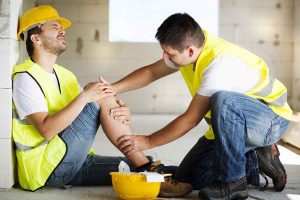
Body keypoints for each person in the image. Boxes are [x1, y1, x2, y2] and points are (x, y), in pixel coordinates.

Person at [12, 5, 192, 197]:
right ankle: (146, 168)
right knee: (98, 90)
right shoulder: (26, 77)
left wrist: (118, 111)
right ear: (35, 38)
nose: (62, 30)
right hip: (46, 169)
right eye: (54, 26)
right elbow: (47, 130)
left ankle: (180, 175)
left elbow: (90, 109)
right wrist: (91, 97)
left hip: (74, 161)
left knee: (138, 165)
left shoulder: (65, 75)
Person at [113, 13, 293, 200]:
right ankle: (254, 158)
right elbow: (150, 72)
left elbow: (190, 119)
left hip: (271, 120)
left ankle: (233, 183)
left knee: (225, 100)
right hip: (235, 126)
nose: (166, 58)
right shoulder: (192, 46)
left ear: (189, 51)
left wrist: (148, 141)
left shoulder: (218, 64)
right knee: (188, 178)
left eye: (170, 54)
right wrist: (112, 88)